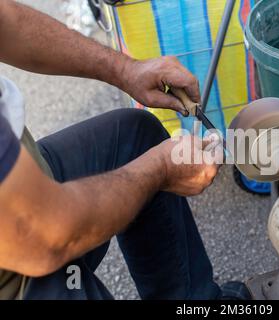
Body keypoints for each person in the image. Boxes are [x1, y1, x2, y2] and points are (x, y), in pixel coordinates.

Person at [0, 0, 248, 300]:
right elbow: (44, 235)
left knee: (134, 138)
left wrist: (126, 70)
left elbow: (5, 21)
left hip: (24, 183)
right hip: (24, 264)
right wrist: (161, 170)